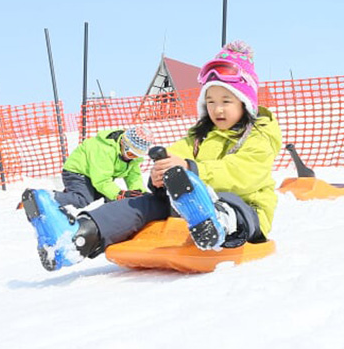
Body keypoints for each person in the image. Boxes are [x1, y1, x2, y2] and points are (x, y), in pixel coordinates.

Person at [20, 41, 283, 271]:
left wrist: (192, 169)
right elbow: (173, 155)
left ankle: (213, 224)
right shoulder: (198, 136)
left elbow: (245, 173)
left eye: (226, 101)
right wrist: (161, 172)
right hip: (187, 205)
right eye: (211, 101)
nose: (217, 109)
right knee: (143, 203)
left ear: (245, 103)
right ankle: (76, 237)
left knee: (229, 200)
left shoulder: (259, 133)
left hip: (247, 210)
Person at [48, 127, 153, 213]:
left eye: (137, 155)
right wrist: (119, 194)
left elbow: (133, 175)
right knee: (83, 200)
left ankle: (71, 195)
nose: (131, 158)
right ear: (122, 143)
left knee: (108, 200)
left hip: (95, 175)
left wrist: (138, 192)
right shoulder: (105, 150)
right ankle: (47, 198)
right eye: (130, 153)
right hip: (77, 172)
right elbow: (102, 180)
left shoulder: (131, 157)